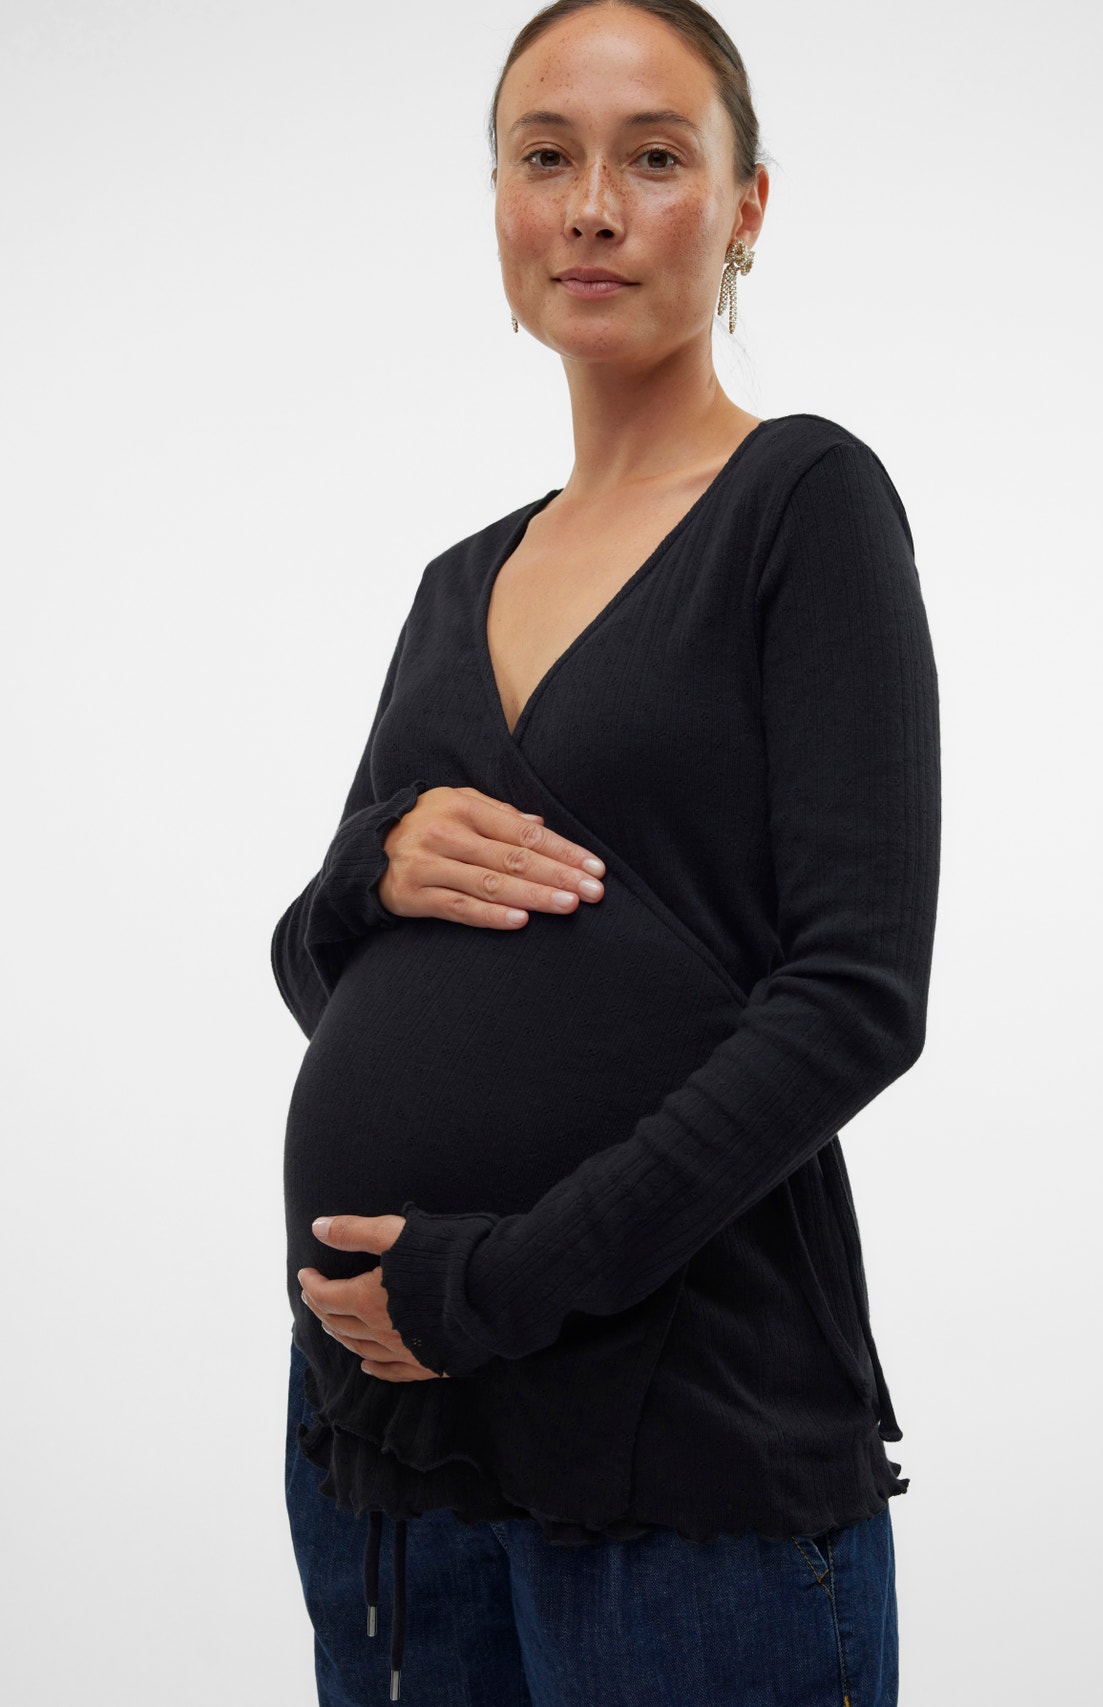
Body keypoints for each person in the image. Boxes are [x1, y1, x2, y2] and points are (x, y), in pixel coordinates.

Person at [271, 2, 942, 1702]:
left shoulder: (801, 503)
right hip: (388, 1452)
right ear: (497, 199)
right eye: (544, 156)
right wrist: (371, 867)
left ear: (745, 207)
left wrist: (499, 1285)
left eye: (653, 158)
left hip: (676, 1449)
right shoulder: (459, 582)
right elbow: (322, 970)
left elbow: (856, 998)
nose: (590, 208)